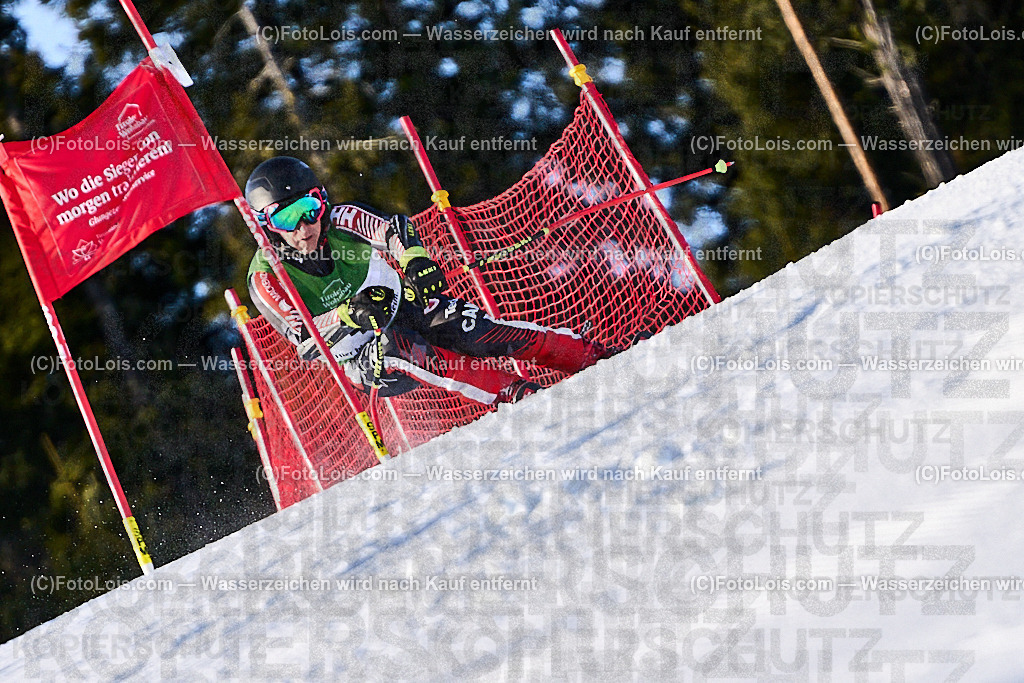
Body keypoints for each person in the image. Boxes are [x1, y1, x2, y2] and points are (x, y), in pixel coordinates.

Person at [244, 156, 612, 405]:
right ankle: (514, 395)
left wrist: (415, 260)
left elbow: (391, 231)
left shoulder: (341, 219)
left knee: (469, 328)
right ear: (267, 226)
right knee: (400, 347)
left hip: (405, 308)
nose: (304, 228)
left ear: (322, 203)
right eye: (286, 219)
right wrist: (346, 314)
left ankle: (589, 356)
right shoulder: (268, 275)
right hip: (360, 356)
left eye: (309, 210)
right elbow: (304, 340)